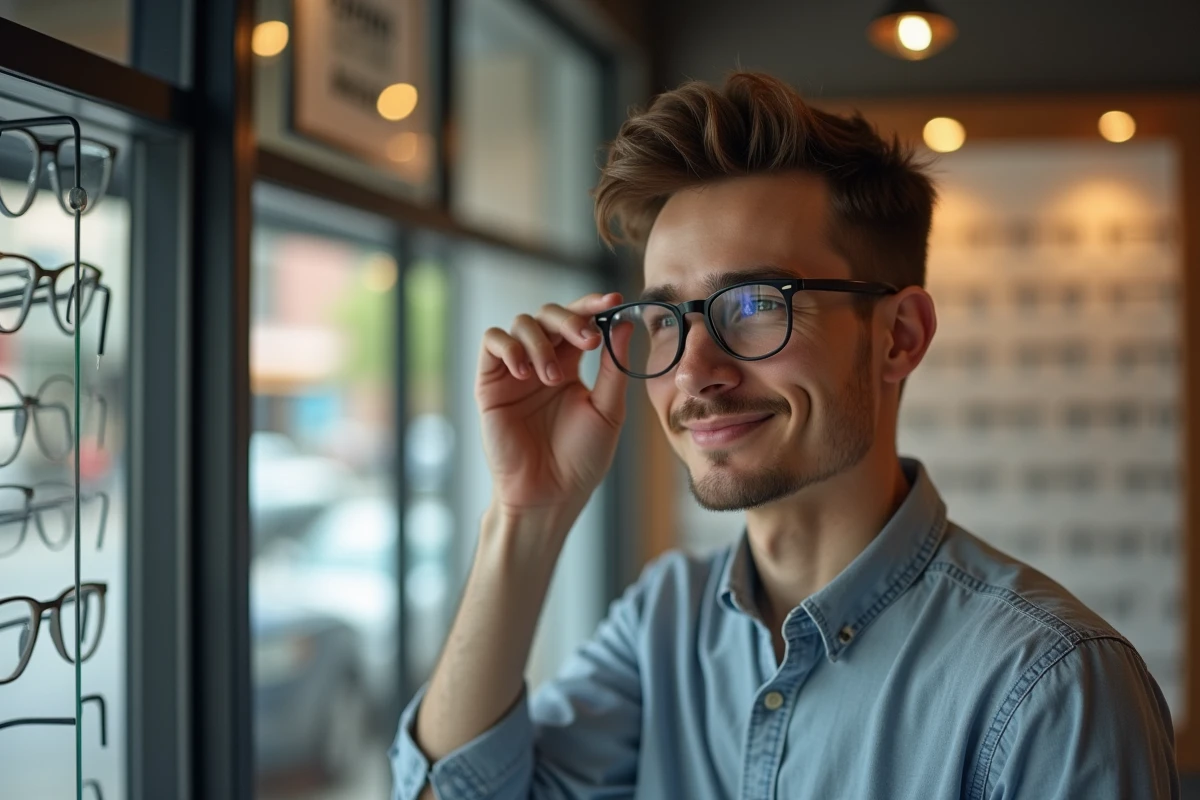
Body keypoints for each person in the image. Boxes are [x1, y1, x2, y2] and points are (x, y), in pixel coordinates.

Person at [389, 71, 1178, 799]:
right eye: (667, 318)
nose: (695, 374)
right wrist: (528, 515)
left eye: (758, 304)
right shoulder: (664, 622)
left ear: (899, 335)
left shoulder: (1052, 683)